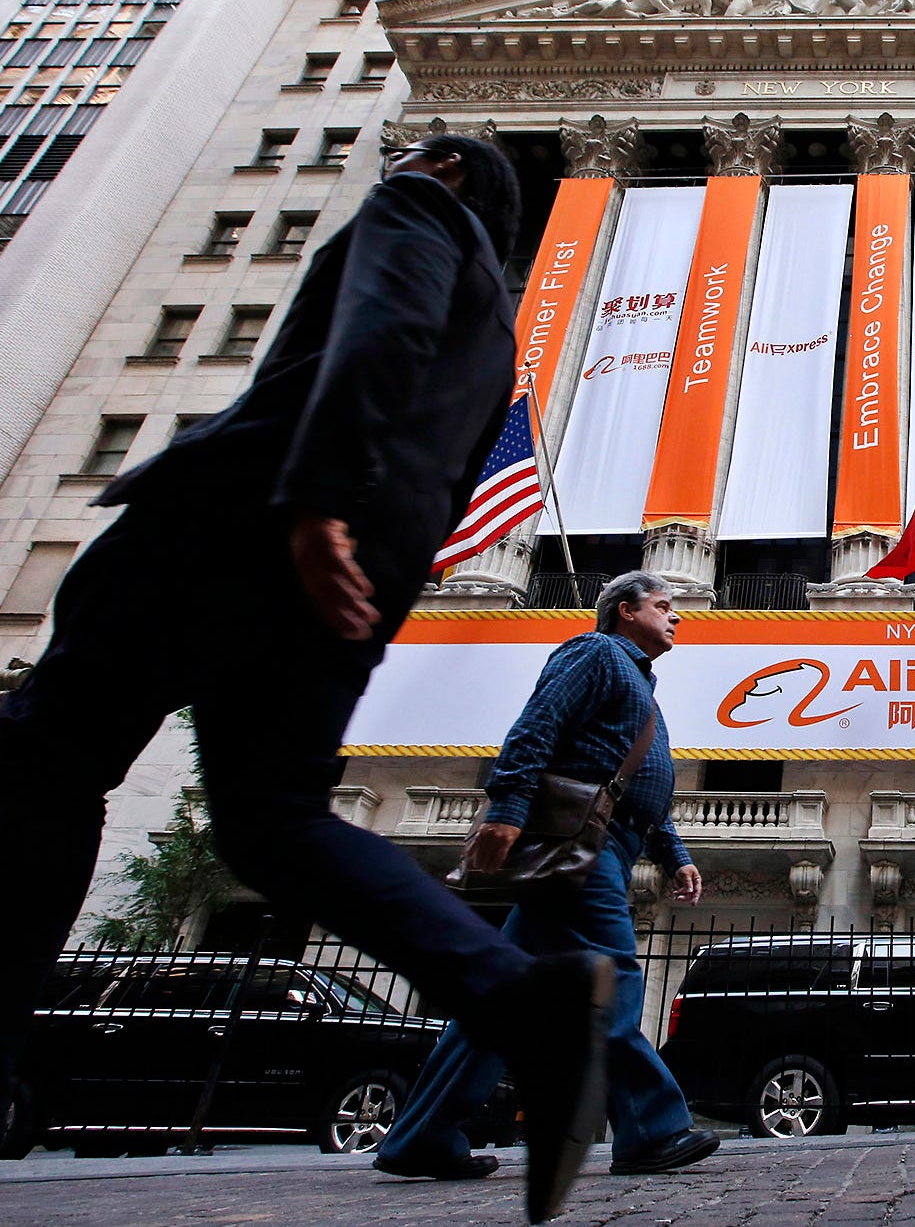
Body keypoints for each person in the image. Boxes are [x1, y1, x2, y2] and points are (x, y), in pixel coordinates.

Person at [0, 136, 611, 1223]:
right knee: (271, 823)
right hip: (354, 581)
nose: (402, 160)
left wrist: (318, 496)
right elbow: (456, 471)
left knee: (48, 756)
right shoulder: (500, 344)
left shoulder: (420, 214)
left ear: (456, 173)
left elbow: (383, 323)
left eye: (422, 153)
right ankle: (521, 996)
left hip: (247, 524)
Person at [376, 572, 719, 1181]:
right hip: (582, 847)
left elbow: (637, 789)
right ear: (623, 611)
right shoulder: (597, 654)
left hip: (608, 840)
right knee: (610, 975)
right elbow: (537, 728)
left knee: (500, 998)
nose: (676, 616)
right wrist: (507, 810)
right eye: (663, 606)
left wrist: (673, 853)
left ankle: (419, 1137)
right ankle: (652, 1128)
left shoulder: (639, 682)